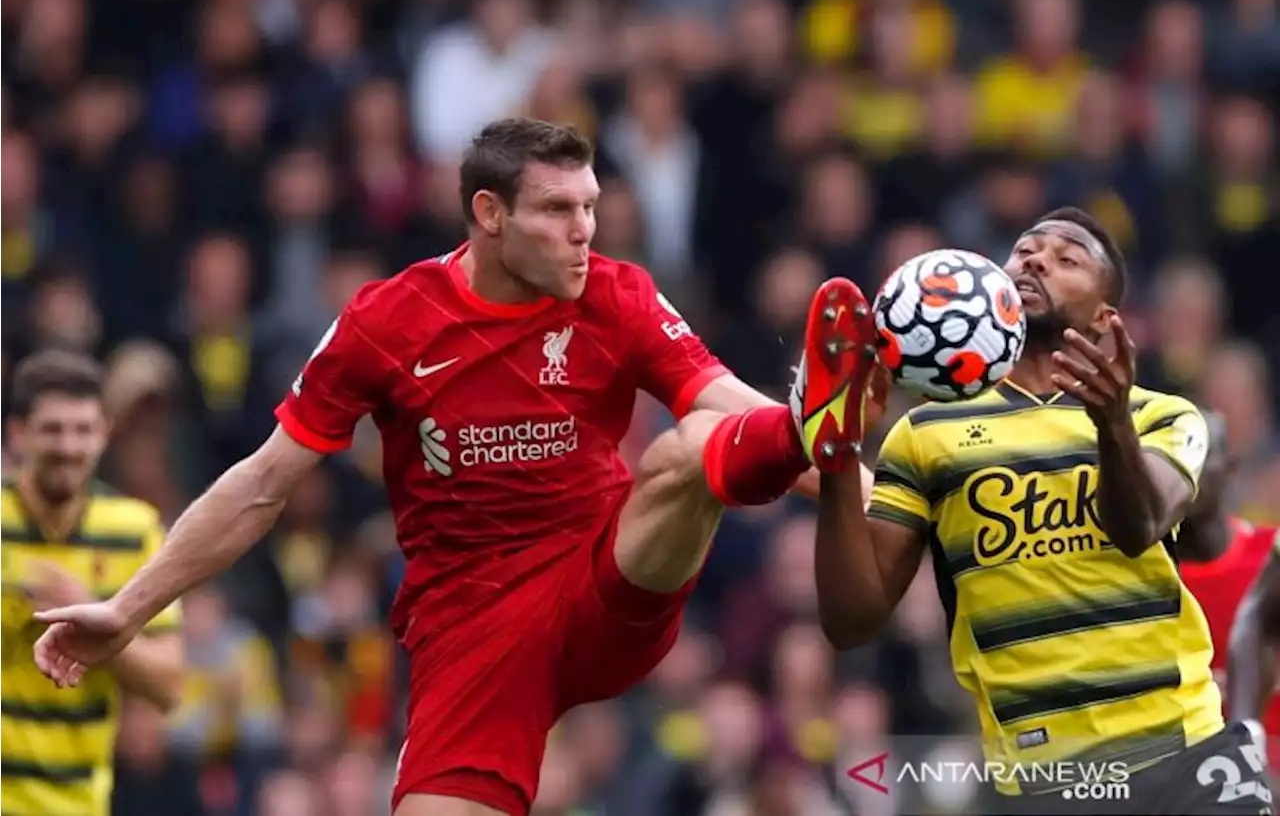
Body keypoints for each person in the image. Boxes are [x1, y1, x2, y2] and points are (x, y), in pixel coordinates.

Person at [27, 118, 864, 816]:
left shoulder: (618, 294)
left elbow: (729, 406)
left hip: (602, 582)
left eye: (591, 207)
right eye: (557, 210)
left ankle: (811, 430)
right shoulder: (387, 321)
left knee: (686, 453)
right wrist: (129, 610)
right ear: (488, 213)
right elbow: (260, 485)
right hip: (471, 631)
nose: (585, 231)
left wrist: (877, 482)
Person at [796, 207, 1275, 814]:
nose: (1036, 260)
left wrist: (1111, 423)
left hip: (1184, 757)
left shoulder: (1163, 416)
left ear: (1105, 314)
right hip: (1041, 785)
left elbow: (1139, 527)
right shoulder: (924, 433)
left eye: (1067, 257)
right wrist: (838, 454)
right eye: (1024, 251)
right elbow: (850, 620)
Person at [0, 349, 184, 816]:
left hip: (80, 802)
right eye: (52, 430)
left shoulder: (134, 530)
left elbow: (168, 685)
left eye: (83, 430)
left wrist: (103, 623)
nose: (68, 446)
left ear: (104, 434)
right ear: (18, 435)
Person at [1179, 411, 1280, 766]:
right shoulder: (1139, 582)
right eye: (1172, 451)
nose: (1186, 466)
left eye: (1200, 451)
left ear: (1230, 468)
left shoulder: (1270, 559)